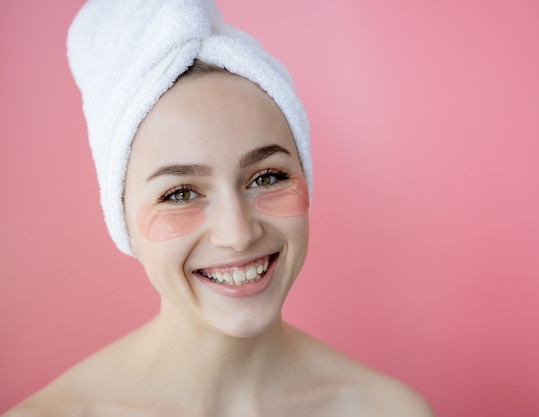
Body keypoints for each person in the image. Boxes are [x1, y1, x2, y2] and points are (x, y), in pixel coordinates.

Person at [4, 1, 433, 415]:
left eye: (267, 177)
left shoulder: (388, 410)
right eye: (180, 194)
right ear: (122, 221)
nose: (238, 233)